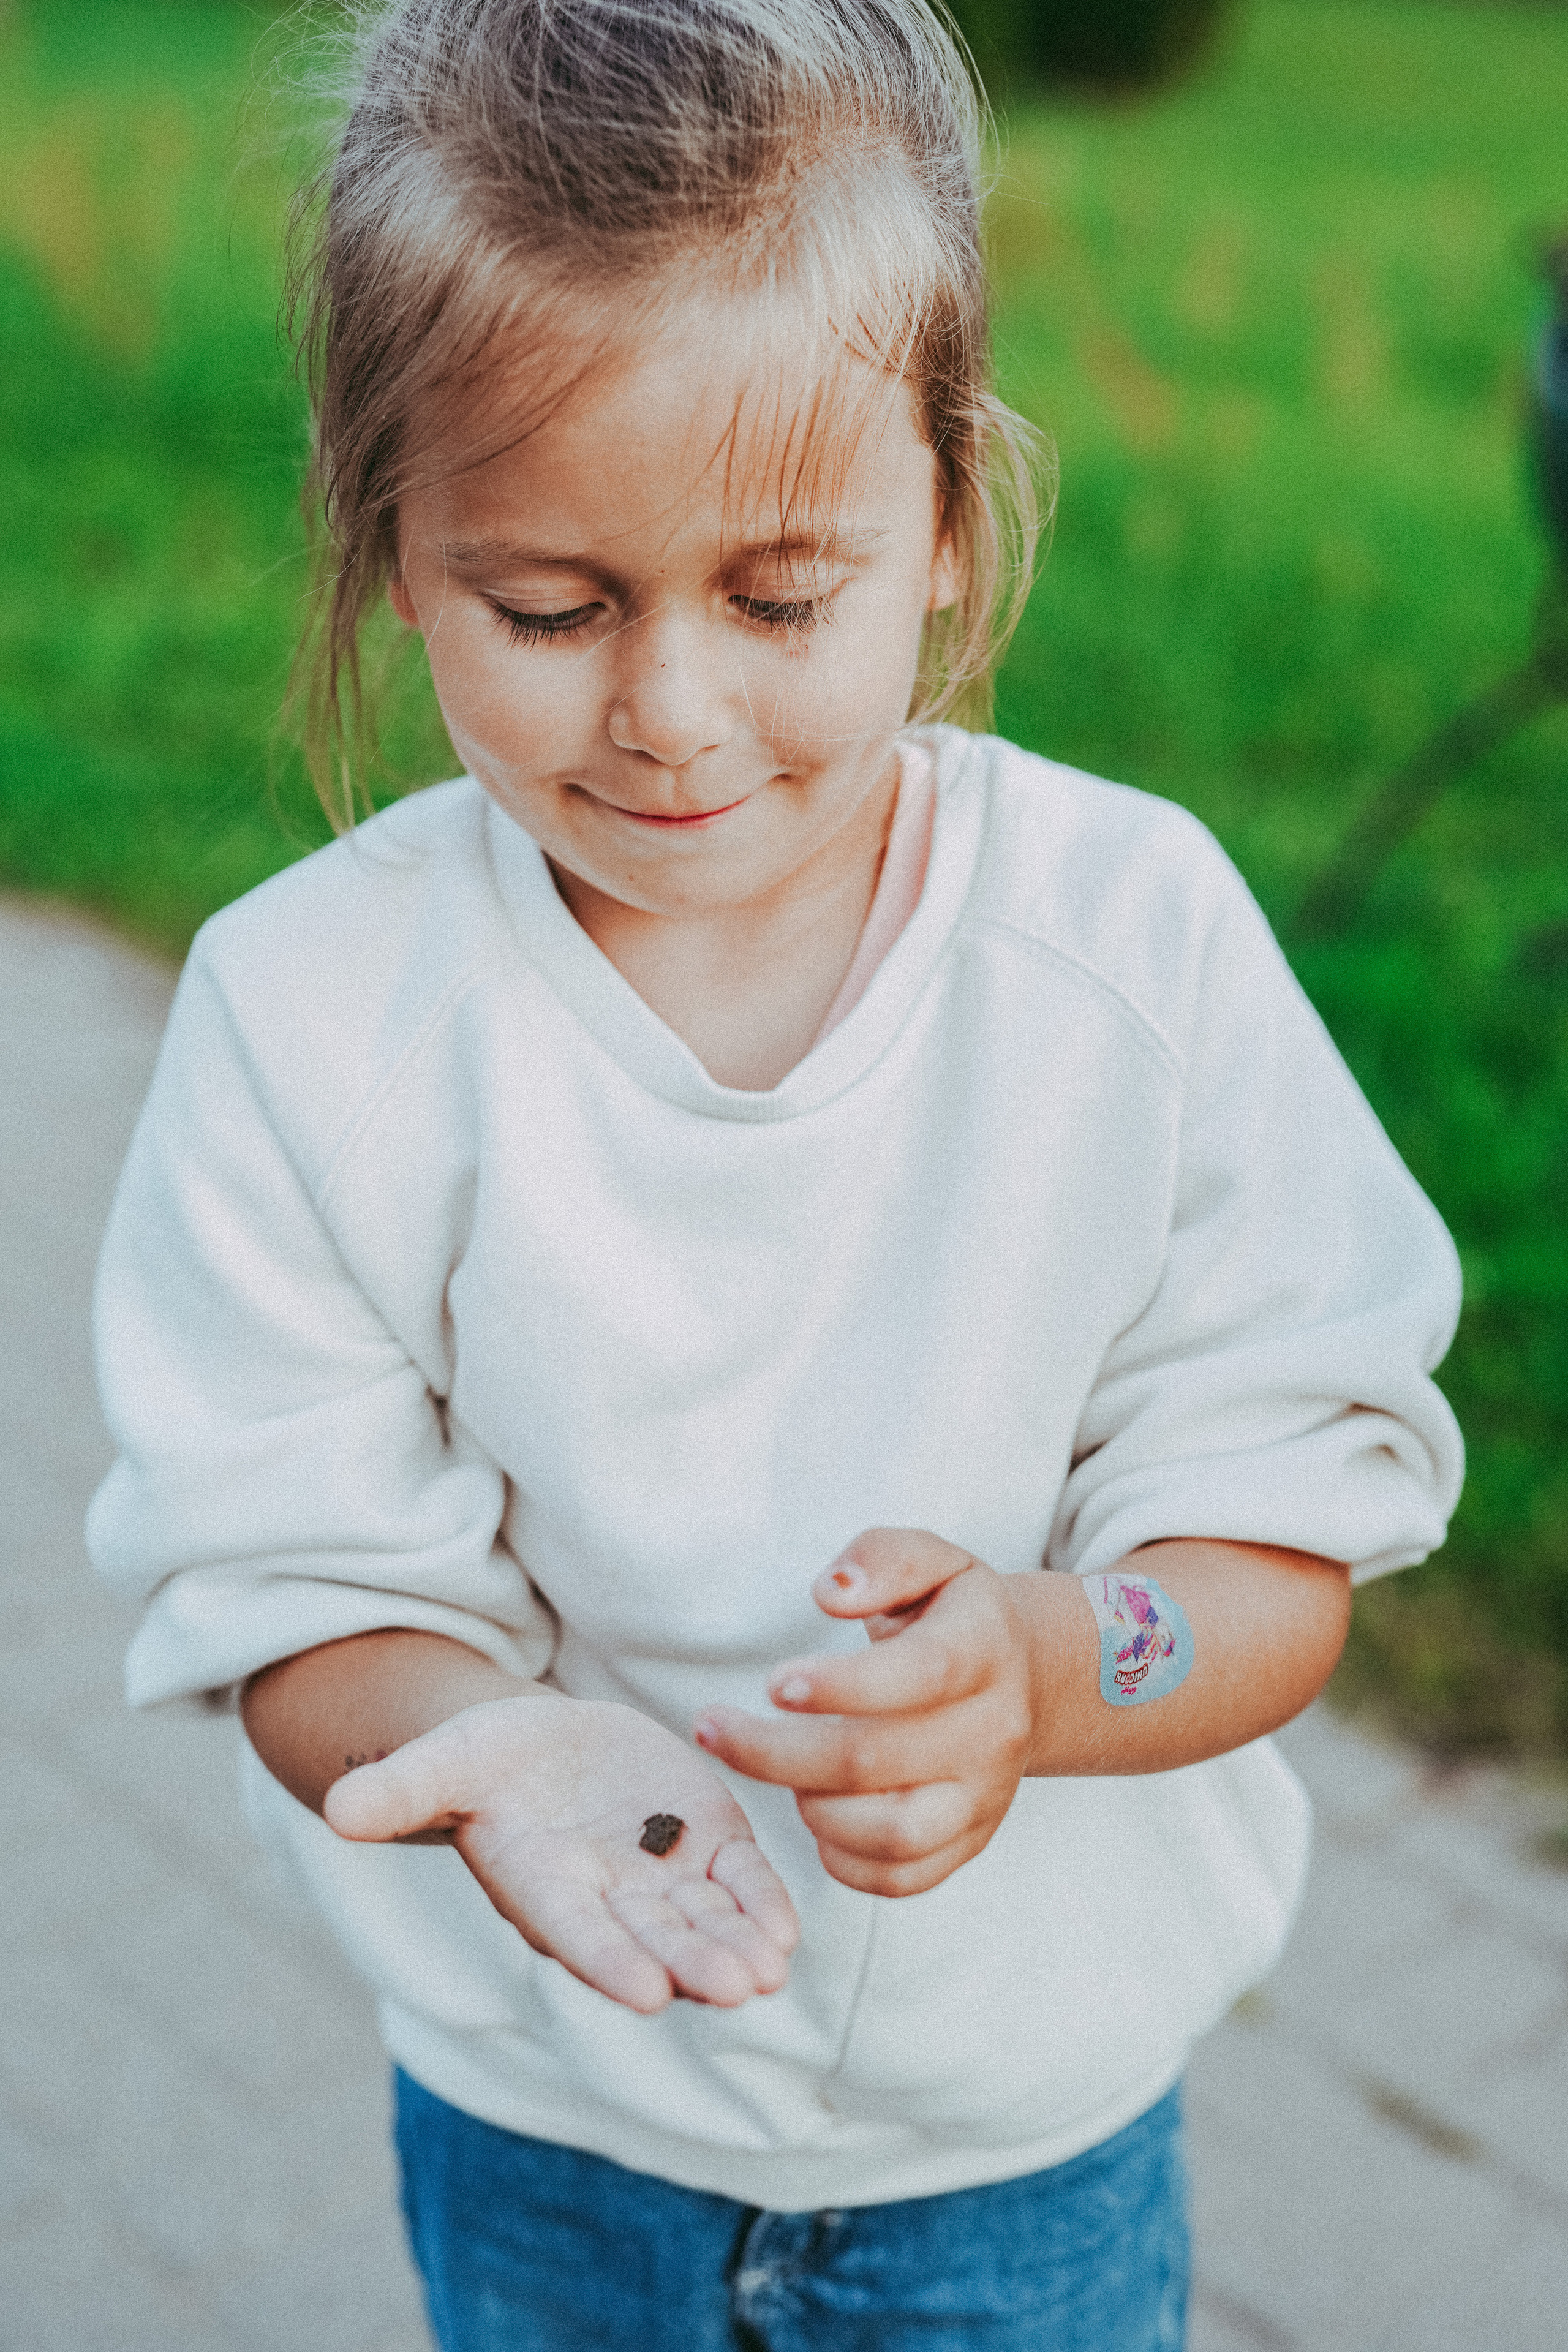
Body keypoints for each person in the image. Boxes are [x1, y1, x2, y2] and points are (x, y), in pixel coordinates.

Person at [86, 4, 1464, 2346]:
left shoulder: (1129, 956)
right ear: (393, 540)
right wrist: (477, 1751)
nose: (673, 713)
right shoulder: (312, 1019)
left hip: (1016, 2160)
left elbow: (1275, 1535)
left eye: (780, 596)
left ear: (948, 518)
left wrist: (1054, 1668)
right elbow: (287, 1579)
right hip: (550, 2125)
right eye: (551, 608)